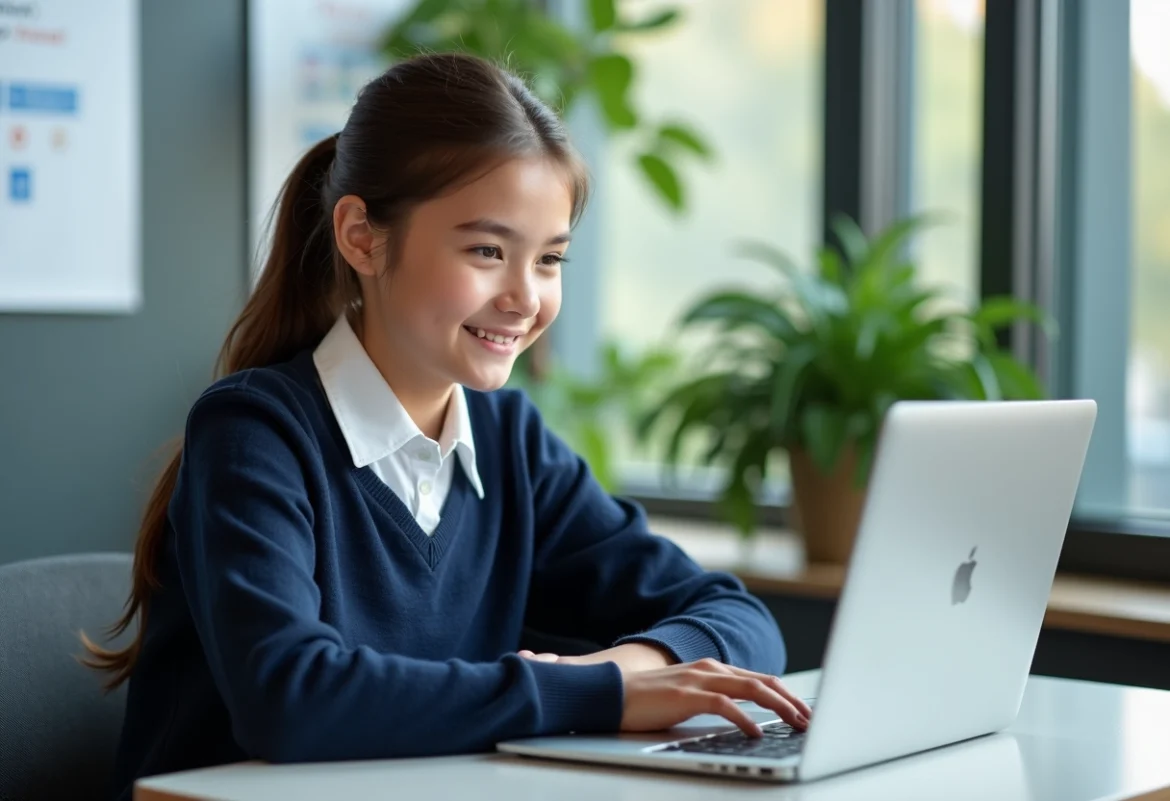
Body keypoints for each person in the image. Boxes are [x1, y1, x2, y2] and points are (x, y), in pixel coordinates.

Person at [84, 52, 810, 800]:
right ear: (362, 237)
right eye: (487, 251)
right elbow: (292, 699)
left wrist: (635, 667)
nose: (525, 298)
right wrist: (597, 695)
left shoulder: (508, 441)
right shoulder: (253, 434)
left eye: (551, 258)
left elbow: (741, 620)